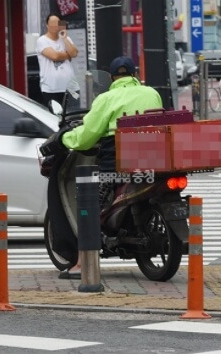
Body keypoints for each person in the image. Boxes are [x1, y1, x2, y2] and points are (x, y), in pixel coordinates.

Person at [49, 56, 162, 278]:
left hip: (118, 166)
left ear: (112, 77)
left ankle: (82, 263)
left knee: (89, 205)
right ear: (135, 74)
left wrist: (63, 140)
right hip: (153, 162)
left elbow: (88, 137)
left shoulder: (106, 99)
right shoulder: (151, 93)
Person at [36, 13, 79, 110]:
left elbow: (74, 53)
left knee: (72, 116)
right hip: (51, 88)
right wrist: (68, 55)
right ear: (47, 25)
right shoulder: (42, 40)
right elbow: (54, 56)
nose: (56, 26)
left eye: (57, 23)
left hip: (70, 88)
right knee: (55, 118)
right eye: (53, 23)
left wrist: (64, 38)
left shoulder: (66, 39)